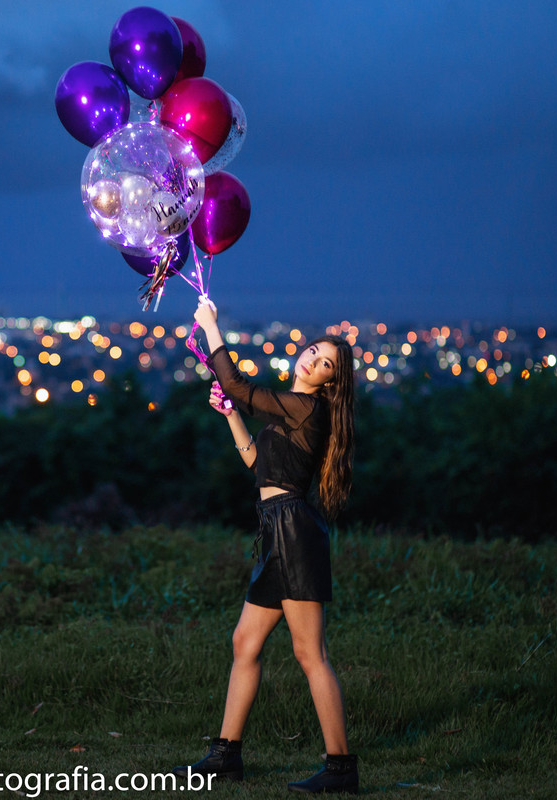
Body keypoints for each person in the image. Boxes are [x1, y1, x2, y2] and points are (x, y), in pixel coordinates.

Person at [173, 296, 358, 795]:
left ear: (331, 382)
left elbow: (235, 381)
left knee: (309, 653)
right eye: (315, 351)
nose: (314, 361)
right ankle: (225, 756)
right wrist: (232, 416)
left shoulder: (307, 409)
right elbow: (259, 466)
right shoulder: (288, 412)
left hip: (295, 532)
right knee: (245, 643)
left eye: (326, 364)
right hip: (275, 528)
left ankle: (341, 769)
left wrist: (211, 327)